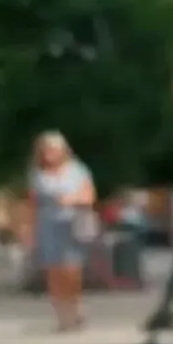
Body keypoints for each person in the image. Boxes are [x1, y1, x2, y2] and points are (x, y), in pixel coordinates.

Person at [30, 131, 98, 330]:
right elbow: (32, 202)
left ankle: (76, 306)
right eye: (45, 150)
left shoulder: (77, 170)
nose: (49, 154)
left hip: (73, 225)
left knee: (71, 270)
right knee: (54, 271)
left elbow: (89, 195)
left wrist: (71, 200)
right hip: (48, 226)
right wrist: (29, 230)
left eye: (53, 149)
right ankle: (62, 315)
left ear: (62, 151)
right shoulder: (37, 174)